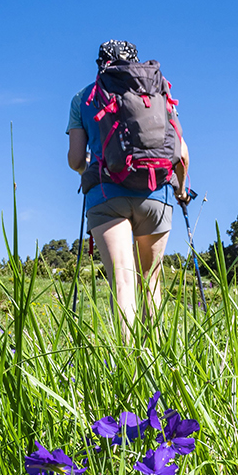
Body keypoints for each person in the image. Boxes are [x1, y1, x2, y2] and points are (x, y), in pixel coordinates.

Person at [67, 40, 190, 342]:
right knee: (150, 283)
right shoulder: (157, 92)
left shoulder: (84, 98)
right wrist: (182, 191)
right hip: (157, 194)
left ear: (100, 63)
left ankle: (128, 364)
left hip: (107, 196)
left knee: (123, 280)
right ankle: (159, 362)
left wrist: (91, 169)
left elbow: (74, 159)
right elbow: (182, 153)